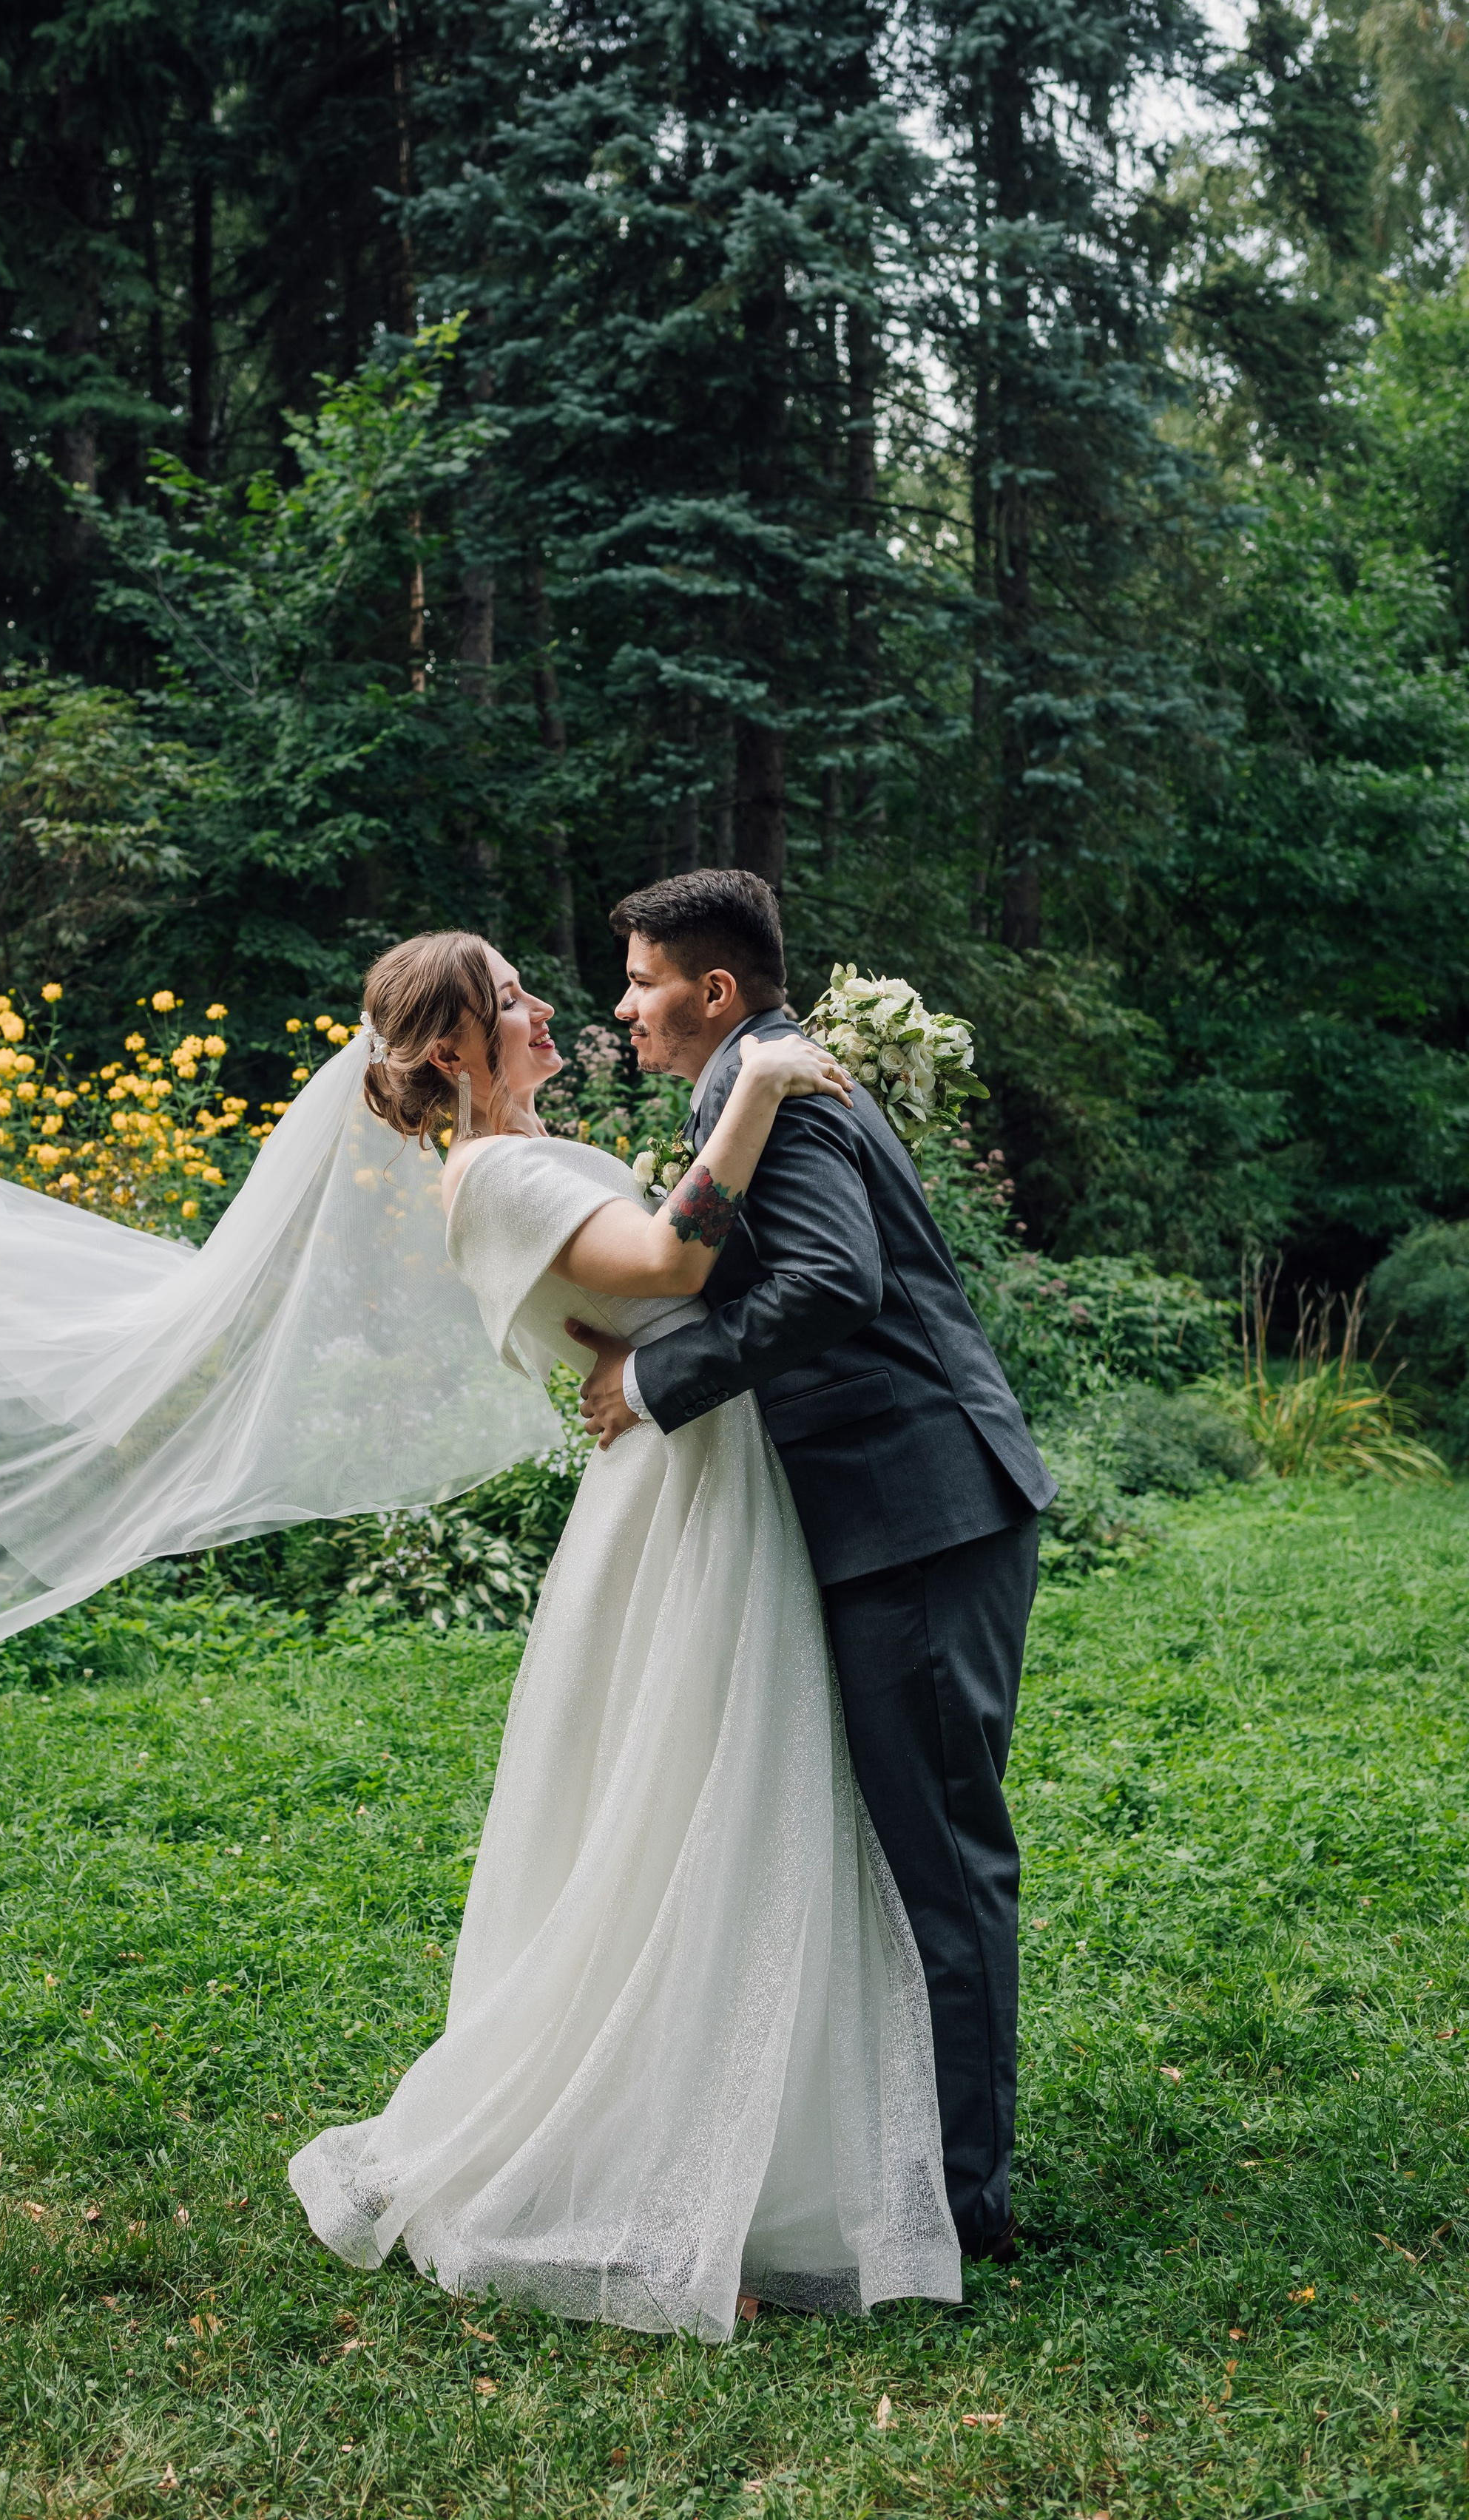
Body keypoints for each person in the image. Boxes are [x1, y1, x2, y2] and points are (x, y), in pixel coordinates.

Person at [287, 929, 962, 2340]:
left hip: (710, 1481)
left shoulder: (543, 1152)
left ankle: (741, 2157)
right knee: (686, 1823)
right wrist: (765, 1081)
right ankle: (642, 2183)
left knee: (718, 1816)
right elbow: (669, 1256)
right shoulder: (494, 1174)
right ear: (455, 1050)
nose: (544, 1008)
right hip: (682, 1508)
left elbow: (667, 1294)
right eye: (513, 997)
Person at [573, 871, 1056, 2267]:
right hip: (902, 1508)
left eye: (644, 977)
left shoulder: (780, 1095)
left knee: (947, 1862)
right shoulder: (752, 1084)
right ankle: (925, 2155)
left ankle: (965, 2208)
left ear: (715, 990)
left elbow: (835, 1283)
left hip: (921, 1512)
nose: (624, 1002)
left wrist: (665, 1378)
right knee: (918, 1851)